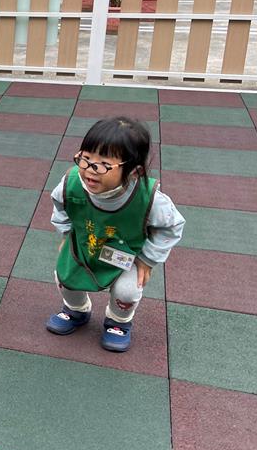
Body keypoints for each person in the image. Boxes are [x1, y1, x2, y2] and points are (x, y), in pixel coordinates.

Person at [46, 116, 185, 352]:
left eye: (103, 164)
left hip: (125, 255)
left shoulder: (148, 198)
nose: (90, 169)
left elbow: (172, 226)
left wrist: (147, 259)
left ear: (134, 171)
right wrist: (66, 233)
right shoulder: (72, 182)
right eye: (86, 158)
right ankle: (76, 310)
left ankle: (118, 322)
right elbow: (61, 203)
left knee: (127, 291)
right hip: (85, 246)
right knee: (64, 275)